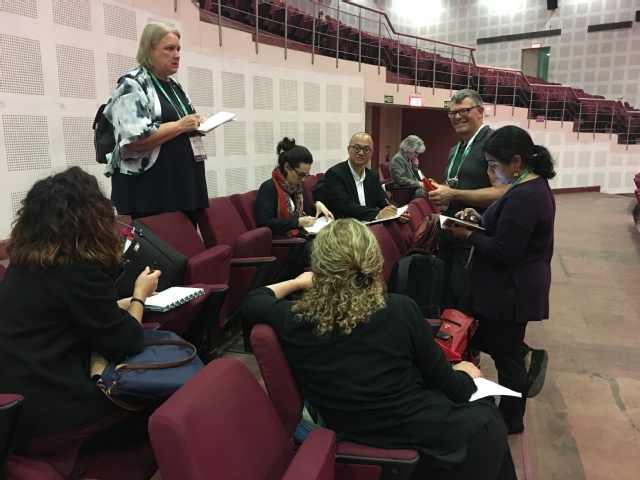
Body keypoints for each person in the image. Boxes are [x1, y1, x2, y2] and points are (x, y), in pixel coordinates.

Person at [243, 219, 517, 480]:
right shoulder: (399, 309)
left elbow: (253, 300)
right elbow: (453, 389)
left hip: (365, 431)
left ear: (318, 268)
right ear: (374, 263)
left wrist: (298, 282)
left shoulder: (295, 320)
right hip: (431, 438)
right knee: (487, 413)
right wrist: (466, 374)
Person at [0, 167, 161, 463]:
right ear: (91, 218)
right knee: (170, 405)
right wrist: (140, 293)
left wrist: (120, 304)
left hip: (15, 413)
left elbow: (68, 315)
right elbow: (127, 343)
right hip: (54, 419)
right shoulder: (79, 269)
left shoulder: (22, 265)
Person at [445, 125, 555, 435]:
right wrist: (478, 220)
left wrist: (468, 235)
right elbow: (506, 229)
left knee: (506, 357)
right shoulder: (524, 187)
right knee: (469, 331)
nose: (491, 172)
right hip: (503, 284)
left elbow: (505, 251)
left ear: (516, 162)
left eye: (494, 165)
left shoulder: (527, 194)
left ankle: (510, 420)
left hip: (512, 288)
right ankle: (523, 353)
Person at [103, 22, 208, 226]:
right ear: (149, 50)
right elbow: (133, 139)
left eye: (178, 49)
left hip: (184, 185)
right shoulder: (132, 84)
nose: (177, 55)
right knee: (159, 245)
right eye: (169, 49)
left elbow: (182, 122)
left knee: (186, 243)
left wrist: (196, 123)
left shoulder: (174, 85)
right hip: (152, 191)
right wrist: (181, 125)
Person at [428, 89, 507, 310]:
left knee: (464, 299)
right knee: (447, 297)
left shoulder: (493, 144)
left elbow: (502, 192)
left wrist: (454, 194)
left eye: (463, 111)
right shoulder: (456, 149)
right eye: (452, 113)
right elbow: (457, 186)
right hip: (449, 233)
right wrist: (440, 191)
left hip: (473, 237)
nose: (457, 117)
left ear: (480, 111)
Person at [256, 137, 334, 269]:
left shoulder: (297, 187)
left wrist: (316, 205)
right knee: (329, 252)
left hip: (301, 236)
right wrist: (297, 222)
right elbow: (265, 223)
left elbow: (303, 213)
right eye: (300, 174)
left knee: (339, 242)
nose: (303, 179)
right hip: (285, 243)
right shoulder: (268, 188)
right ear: (287, 167)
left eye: (306, 175)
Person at [323, 132, 410, 223]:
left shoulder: (372, 176)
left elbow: (384, 200)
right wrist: (377, 214)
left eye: (366, 149)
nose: (361, 153)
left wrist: (398, 212)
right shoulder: (335, 174)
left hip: (369, 224)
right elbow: (345, 205)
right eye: (357, 148)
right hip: (346, 226)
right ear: (348, 150)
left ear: (371, 153)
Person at [389, 135, 429, 200]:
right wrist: (420, 184)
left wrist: (415, 166)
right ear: (408, 149)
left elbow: (417, 177)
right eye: (416, 153)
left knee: (431, 190)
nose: (417, 156)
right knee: (430, 193)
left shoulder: (407, 158)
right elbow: (401, 180)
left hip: (412, 189)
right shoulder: (398, 159)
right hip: (405, 193)